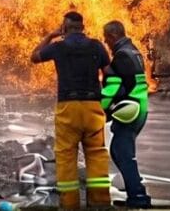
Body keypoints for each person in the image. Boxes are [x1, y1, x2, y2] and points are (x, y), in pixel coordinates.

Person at [31, 11, 111, 209]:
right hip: (93, 107)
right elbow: (109, 74)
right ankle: (100, 202)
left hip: (68, 107)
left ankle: (70, 204)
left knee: (66, 155)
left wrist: (50, 36)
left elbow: (34, 57)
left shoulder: (58, 47)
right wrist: (107, 101)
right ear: (83, 27)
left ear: (64, 29)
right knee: (97, 153)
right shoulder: (97, 46)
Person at [101, 21, 151, 208]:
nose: (106, 42)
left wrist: (103, 108)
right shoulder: (134, 51)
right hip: (140, 107)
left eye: (107, 39)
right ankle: (136, 190)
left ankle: (138, 196)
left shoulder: (121, 56)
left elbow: (116, 87)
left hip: (131, 109)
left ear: (113, 36)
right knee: (120, 150)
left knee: (122, 152)